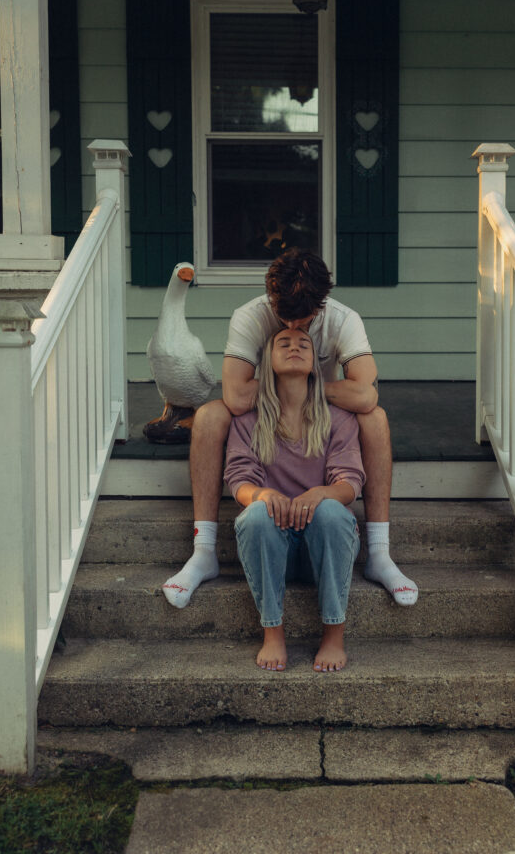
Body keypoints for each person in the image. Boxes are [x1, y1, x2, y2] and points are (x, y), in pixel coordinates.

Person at [163, 249, 418, 609]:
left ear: (321, 304)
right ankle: (204, 549)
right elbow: (236, 397)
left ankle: (379, 552)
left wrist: (309, 386)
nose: (293, 329)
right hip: (264, 411)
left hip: (323, 415)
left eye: (304, 322)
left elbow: (365, 394)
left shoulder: (344, 320)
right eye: (284, 319)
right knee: (208, 415)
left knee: (375, 418)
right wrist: (282, 390)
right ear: (271, 300)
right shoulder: (250, 317)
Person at [225, 327, 363, 672]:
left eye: (304, 344)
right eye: (283, 343)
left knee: (332, 511)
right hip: (275, 544)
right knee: (255, 515)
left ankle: (334, 635)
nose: (294, 347)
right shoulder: (248, 421)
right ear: (267, 364)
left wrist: (321, 494)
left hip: (325, 542)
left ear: (316, 365)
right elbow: (238, 479)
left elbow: (351, 484)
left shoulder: (338, 419)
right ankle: (272, 634)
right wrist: (261, 494)